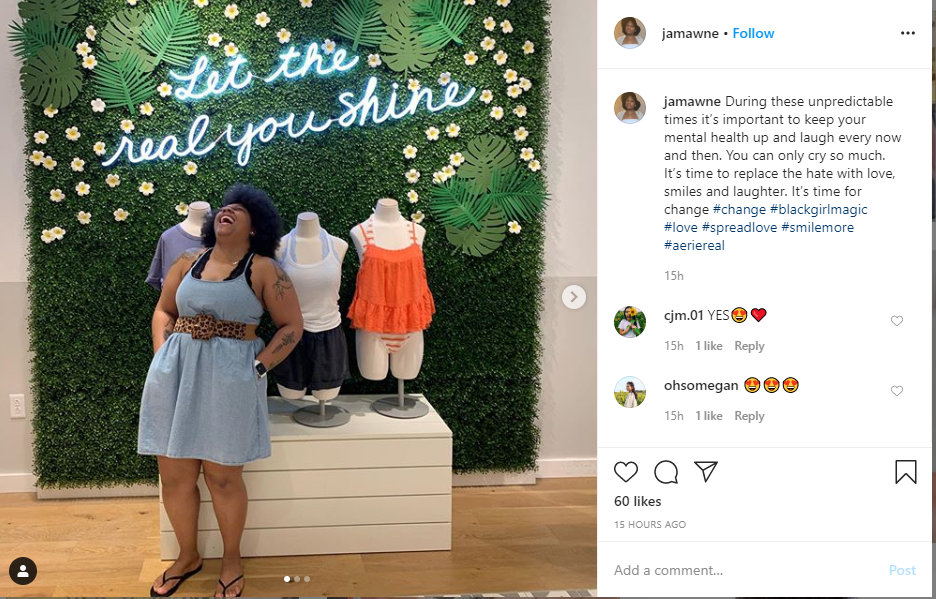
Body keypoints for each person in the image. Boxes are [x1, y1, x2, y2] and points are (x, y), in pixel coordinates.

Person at [138, 184, 304, 598]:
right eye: (226, 207)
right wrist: (161, 356)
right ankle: (187, 556)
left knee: (224, 477)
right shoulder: (186, 261)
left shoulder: (264, 269)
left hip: (231, 378)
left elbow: (292, 326)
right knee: (174, 476)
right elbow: (164, 310)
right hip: (175, 375)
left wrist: (259, 367)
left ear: (256, 227)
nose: (228, 210)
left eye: (240, 209)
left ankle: (232, 561)